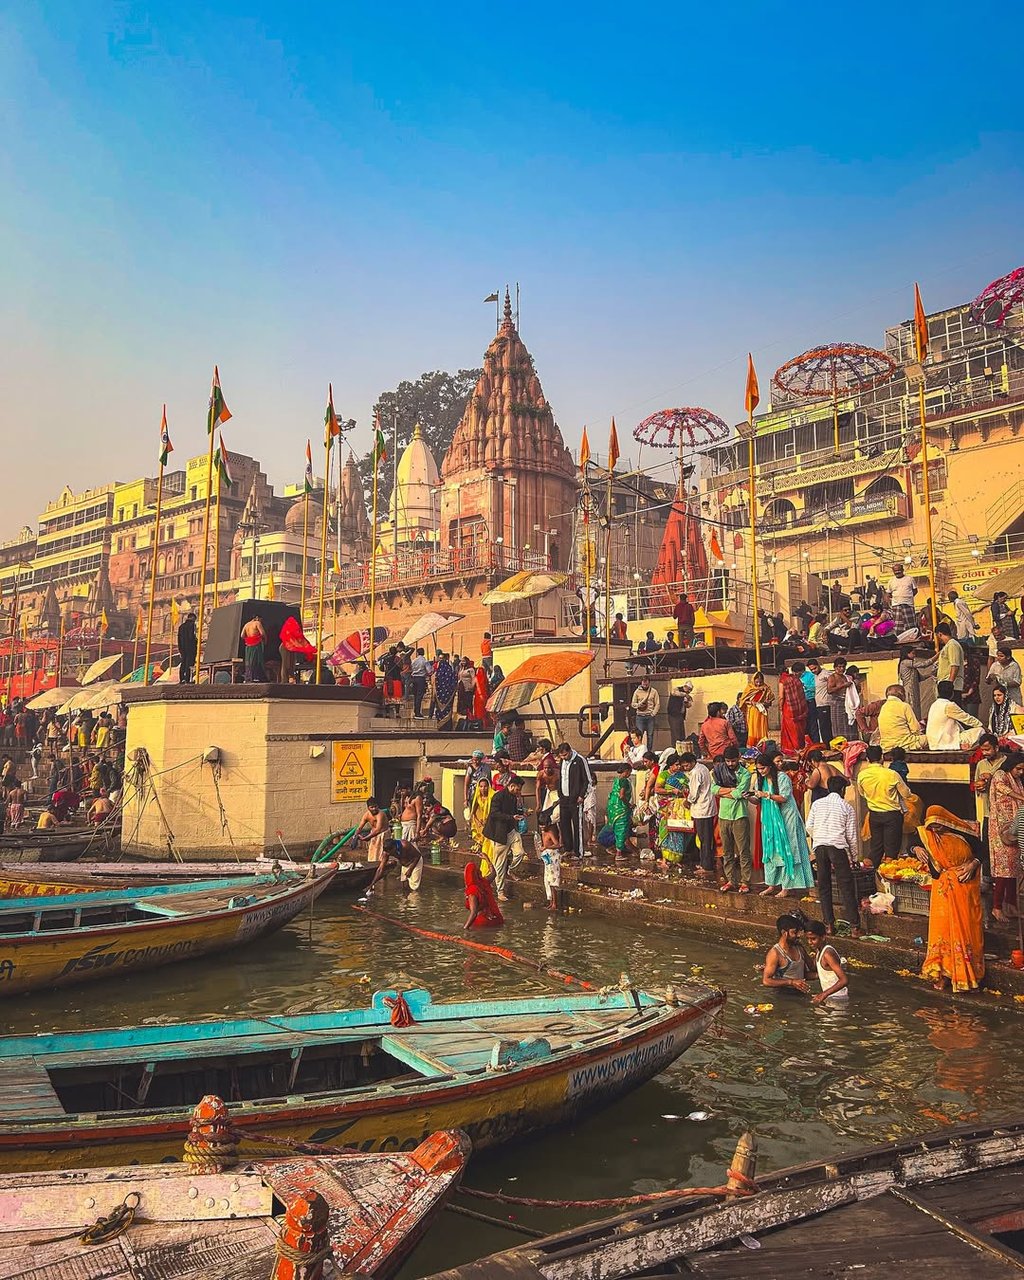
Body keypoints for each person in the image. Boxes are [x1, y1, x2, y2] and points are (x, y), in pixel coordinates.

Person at [913, 807, 985, 992]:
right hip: (942, 890)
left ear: (946, 821)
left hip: (965, 889)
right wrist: (916, 848)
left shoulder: (964, 833)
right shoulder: (928, 835)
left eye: (938, 826)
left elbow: (983, 852)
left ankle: (965, 975)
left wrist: (972, 864)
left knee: (965, 929)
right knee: (942, 931)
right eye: (932, 826)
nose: (935, 830)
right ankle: (942, 974)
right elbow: (914, 843)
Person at [750, 754, 814, 896]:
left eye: (763, 768)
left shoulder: (782, 777)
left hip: (787, 817)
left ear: (770, 766)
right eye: (758, 769)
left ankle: (786, 887)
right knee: (770, 849)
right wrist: (749, 797)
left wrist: (767, 795)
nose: (761, 771)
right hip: (769, 820)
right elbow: (757, 800)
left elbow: (784, 798)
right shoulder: (759, 779)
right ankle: (771, 884)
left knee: (788, 849)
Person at [806, 774, 861, 937]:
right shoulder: (846, 807)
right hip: (837, 847)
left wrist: (819, 838)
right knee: (846, 887)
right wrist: (854, 857)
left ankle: (829, 925)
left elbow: (809, 827)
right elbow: (851, 836)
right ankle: (854, 927)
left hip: (820, 847)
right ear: (842, 789)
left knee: (824, 886)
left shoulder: (817, 804)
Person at [856, 744, 911, 868]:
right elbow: (906, 794)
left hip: (874, 815)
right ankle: (889, 879)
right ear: (882, 758)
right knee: (891, 851)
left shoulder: (862, 775)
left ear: (868, 759)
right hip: (892, 815)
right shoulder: (891, 774)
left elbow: (862, 793)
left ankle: (871, 876)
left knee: (875, 849)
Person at [989, 751, 1024, 921]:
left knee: (1014, 869)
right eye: (1018, 769)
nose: (1021, 772)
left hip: (1015, 829)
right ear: (1011, 766)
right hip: (1000, 831)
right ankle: (996, 907)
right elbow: (1004, 789)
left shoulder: (1018, 780)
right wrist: (1022, 797)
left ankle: (1011, 905)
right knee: (1003, 871)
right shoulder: (1000, 775)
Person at [713, 745, 752, 892]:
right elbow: (713, 790)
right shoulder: (718, 771)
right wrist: (731, 790)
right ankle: (731, 880)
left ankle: (745, 881)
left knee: (743, 850)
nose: (730, 764)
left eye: (733, 761)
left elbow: (740, 793)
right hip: (724, 815)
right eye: (728, 761)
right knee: (727, 851)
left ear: (738, 759)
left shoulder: (745, 774)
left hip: (740, 815)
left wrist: (724, 791)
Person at [482, 775, 525, 901]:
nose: (519, 792)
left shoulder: (513, 797)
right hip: (499, 833)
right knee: (499, 864)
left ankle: (510, 870)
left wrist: (523, 813)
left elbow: (514, 811)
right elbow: (494, 814)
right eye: (518, 789)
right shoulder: (498, 796)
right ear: (511, 786)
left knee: (520, 853)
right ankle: (500, 891)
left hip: (511, 830)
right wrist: (511, 817)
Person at [972, 734, 1004, 880]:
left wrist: (991, 778)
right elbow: (976, 786)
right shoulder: (981, 764)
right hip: (986, 812)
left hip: (1003, 813)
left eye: (988, 749)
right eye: (983, 750)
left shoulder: (1006, 763)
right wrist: (980, 784)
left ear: (996, 747)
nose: (985, 753)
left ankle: (1002, 877)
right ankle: (987, 876)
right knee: (986, 845)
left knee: (1002, 845)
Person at [679, 751, 715, 878]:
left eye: (687, 766)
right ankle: (706, 862)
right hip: (705, 808)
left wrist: (687, 801)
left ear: (693, 762)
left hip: (702, 809)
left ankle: (707, 866)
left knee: (704, 839)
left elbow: (693, 794)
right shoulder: (703, 768)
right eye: (684, 766)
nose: (685, 768)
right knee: (705, 838)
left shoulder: (696, 772)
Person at [925, 681, 984, 751]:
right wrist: (983, 726)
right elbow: (967, 718)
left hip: (933, 742)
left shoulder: (934, 704)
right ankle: (960, 746)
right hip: (944, 742)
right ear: (952, 693)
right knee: (980, 731)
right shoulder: (949, 705)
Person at [556, 742, 590, 859]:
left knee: (577, 825)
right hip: (564, 798)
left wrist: (582, 795)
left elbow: (587, 780)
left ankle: (578, 851)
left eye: (565, 755)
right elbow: (561, 778)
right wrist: (559, 793)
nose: (564, 758)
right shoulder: (562, 762)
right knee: (564, 824)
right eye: (562, 756)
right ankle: (568, 848)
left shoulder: (580, 760)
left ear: (570, 751)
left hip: (576, 798)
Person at [804, 920, 850, 1004]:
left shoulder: (827, 954)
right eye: (807, 939)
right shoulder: (819, 951)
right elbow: (816, 971)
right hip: (830, 997)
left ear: (823, 937)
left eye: (813, 939)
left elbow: (844, 980)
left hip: (838, 998)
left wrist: (823, 994)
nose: (810, 942)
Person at [762, 915, 810, 994]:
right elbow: (766, 981)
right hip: (783, 995)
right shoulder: (775, 953)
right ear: (784, 933)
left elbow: (807, 972)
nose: (798, 935)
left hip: (801, 993)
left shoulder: (799, 948)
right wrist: (791, 982)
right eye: (794, 932)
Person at [877, 684, 926, 751]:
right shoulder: (904, 706)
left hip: (887, 745)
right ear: (902, 694)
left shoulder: (884, 707)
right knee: (929, 739)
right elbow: (915, 729)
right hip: (904, 743)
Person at [606, 762, 636, 864]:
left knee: (616, 829)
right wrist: (629, 805)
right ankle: (619, 854)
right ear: (626, 771)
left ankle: (616, 848)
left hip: (613, 808)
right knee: (621, 829)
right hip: (621, 809)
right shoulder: (624, 781)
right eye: (629, 772)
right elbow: (622, 795)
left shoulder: (616, 780)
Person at [464, 857, 503, 928]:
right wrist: (487, 859)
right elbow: (493, 873)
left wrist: (464, 929)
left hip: (482, 922)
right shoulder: (484, 882)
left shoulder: (472, 890)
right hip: (496, 918)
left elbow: (474, 913)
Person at [778, 665, 808, 754]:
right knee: (799, 729)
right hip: (800, 708)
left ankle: (792, 749)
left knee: (791, 730)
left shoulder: (782, 680)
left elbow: (781, 697)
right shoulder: (796, 679)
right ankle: (800, 747)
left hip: (788, 708)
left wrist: (780, 707)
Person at [739, 671, 773, 747]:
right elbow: (743, 701)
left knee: (762, 729)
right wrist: (752, 703)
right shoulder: (749, 688)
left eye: (760, 682)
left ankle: (762, 745)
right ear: (753, 680)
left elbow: (770, 702)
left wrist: (765, 703)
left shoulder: (766, 688)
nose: (758, 684)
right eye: (757, 682)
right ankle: (752, 746)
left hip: (762, 712)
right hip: (752, 712)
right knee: (753, 729)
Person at [935, 623, 965, 706]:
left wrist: (949, 684)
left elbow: (955, 665)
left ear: (940, 634)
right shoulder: (947, 646)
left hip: (951, 687)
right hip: (945, 685)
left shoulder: (952, 645)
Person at [630, 677, 660, 752]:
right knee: (639, 735)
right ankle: (640, 751)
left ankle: (649, 752)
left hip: (650, 716)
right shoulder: (637, 692)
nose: (645, 684)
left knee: (650, 735)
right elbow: (633, 704)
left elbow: (657, 703)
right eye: (643, 683)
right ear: (641, 683)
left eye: (646, 683)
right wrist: (639, 705)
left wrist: (653, 713)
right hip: (640, 716)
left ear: (649, 683)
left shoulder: (654, 691)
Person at [887, 563, 918, 634]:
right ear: (893, 571)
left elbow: (915, 591)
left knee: (911, 626)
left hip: (908, 605)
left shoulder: (910, 579)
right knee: (898, 627)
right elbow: (888, 594)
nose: (897, 572)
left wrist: (907, 597)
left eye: (899, 570)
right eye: (895, 571)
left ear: (902, 570)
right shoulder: (891, 581)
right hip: (896, 606)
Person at [355, 798, 388, 863]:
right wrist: (355, 836)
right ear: (368, 808)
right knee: (373, 855)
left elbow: (378, 830)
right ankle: (373, 868)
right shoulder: (366, 815)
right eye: (372, 807)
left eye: (375, 806)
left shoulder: (380, 814)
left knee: (382, 855)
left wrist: (366, 838)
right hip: (373, 836)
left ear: (378, 806)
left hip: (383, 835)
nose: (374, 809)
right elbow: (360, 827)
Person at [539, 822, 562, 910]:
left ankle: (554, 903)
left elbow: (558, 845)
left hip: (553, 858)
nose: (542, 827)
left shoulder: (550, 833)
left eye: (543, 825)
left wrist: (547, 848)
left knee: (553, 881)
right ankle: (551, 902)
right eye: (540, 825)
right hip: (547, 858)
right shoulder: (543, 833)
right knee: (547, 880)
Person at [811, 659, 832, 745]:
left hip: (825, 704)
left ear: (818, 665)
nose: (813, 671)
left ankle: (828, 745)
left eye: (814, 668)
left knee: (826, 727)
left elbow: (834, 679)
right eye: (811, 670)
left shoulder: (826, 674)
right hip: (818, 704)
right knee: (822, 727)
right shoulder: (815, 676)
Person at [666, 682, 693, 750]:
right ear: (685, 687)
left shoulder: (686, 696)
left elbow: (689, 705)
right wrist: (685, 695)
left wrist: (687, 702)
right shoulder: (677, 689)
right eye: (689, 689)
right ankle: (675, 750)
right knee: (676, 735)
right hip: (673, 715)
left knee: (681, 735)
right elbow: (674, 692)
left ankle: (681, 750)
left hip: (681, 716)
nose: (689, 692)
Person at [177, 611, 198, 684]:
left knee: (183, 663)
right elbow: (193, 636)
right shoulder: (192, 625)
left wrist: (180, 649)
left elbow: (178, 639)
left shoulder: (181, 627)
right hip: (191, 647)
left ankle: (181, 679)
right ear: (193, 618)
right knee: (189, 664)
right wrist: (196, 641)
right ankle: (188, 679)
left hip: (182, 648)